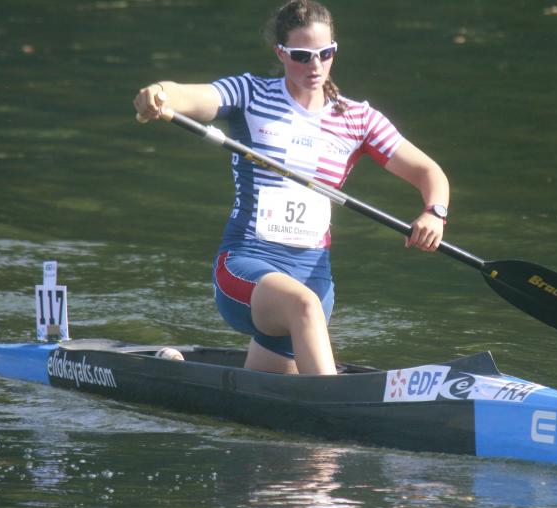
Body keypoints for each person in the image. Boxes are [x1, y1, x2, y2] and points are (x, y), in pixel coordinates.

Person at [133, 0, 449, 375]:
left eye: (324, 54)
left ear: (334, 51)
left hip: (314, 279)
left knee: (274, 400)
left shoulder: (359, 120)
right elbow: (190, 96)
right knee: (303, 307)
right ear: (280, 53)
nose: (315, 66)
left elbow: (430, 173)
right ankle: (339, 420)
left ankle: (184, 375)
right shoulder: (249, 94)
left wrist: (434, 213)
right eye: (301, 56)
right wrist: (159, 94)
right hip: (245, 267)